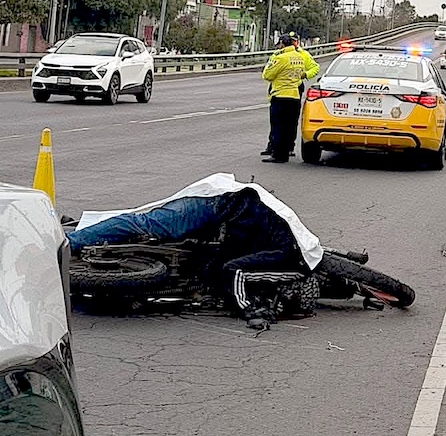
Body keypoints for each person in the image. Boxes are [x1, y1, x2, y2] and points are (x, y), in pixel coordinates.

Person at [66, 181, 322, 330]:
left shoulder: (290, 233)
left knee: (143, 226)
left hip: (219, 200)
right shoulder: (286, 249)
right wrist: (249, 310)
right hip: (210, 208)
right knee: (142, 225)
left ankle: (79, 228)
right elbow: (234, 268)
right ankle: (70, 241)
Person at [261, 34, 319, 163]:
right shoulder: (300, 57)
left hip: (281, 95)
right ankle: (286, 151)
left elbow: (267, 75)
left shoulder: (280, 57)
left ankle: (278, 154)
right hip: (294, 95)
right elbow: (307, 70)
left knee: (278, 126)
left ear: (282, 44)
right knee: (289, 126)